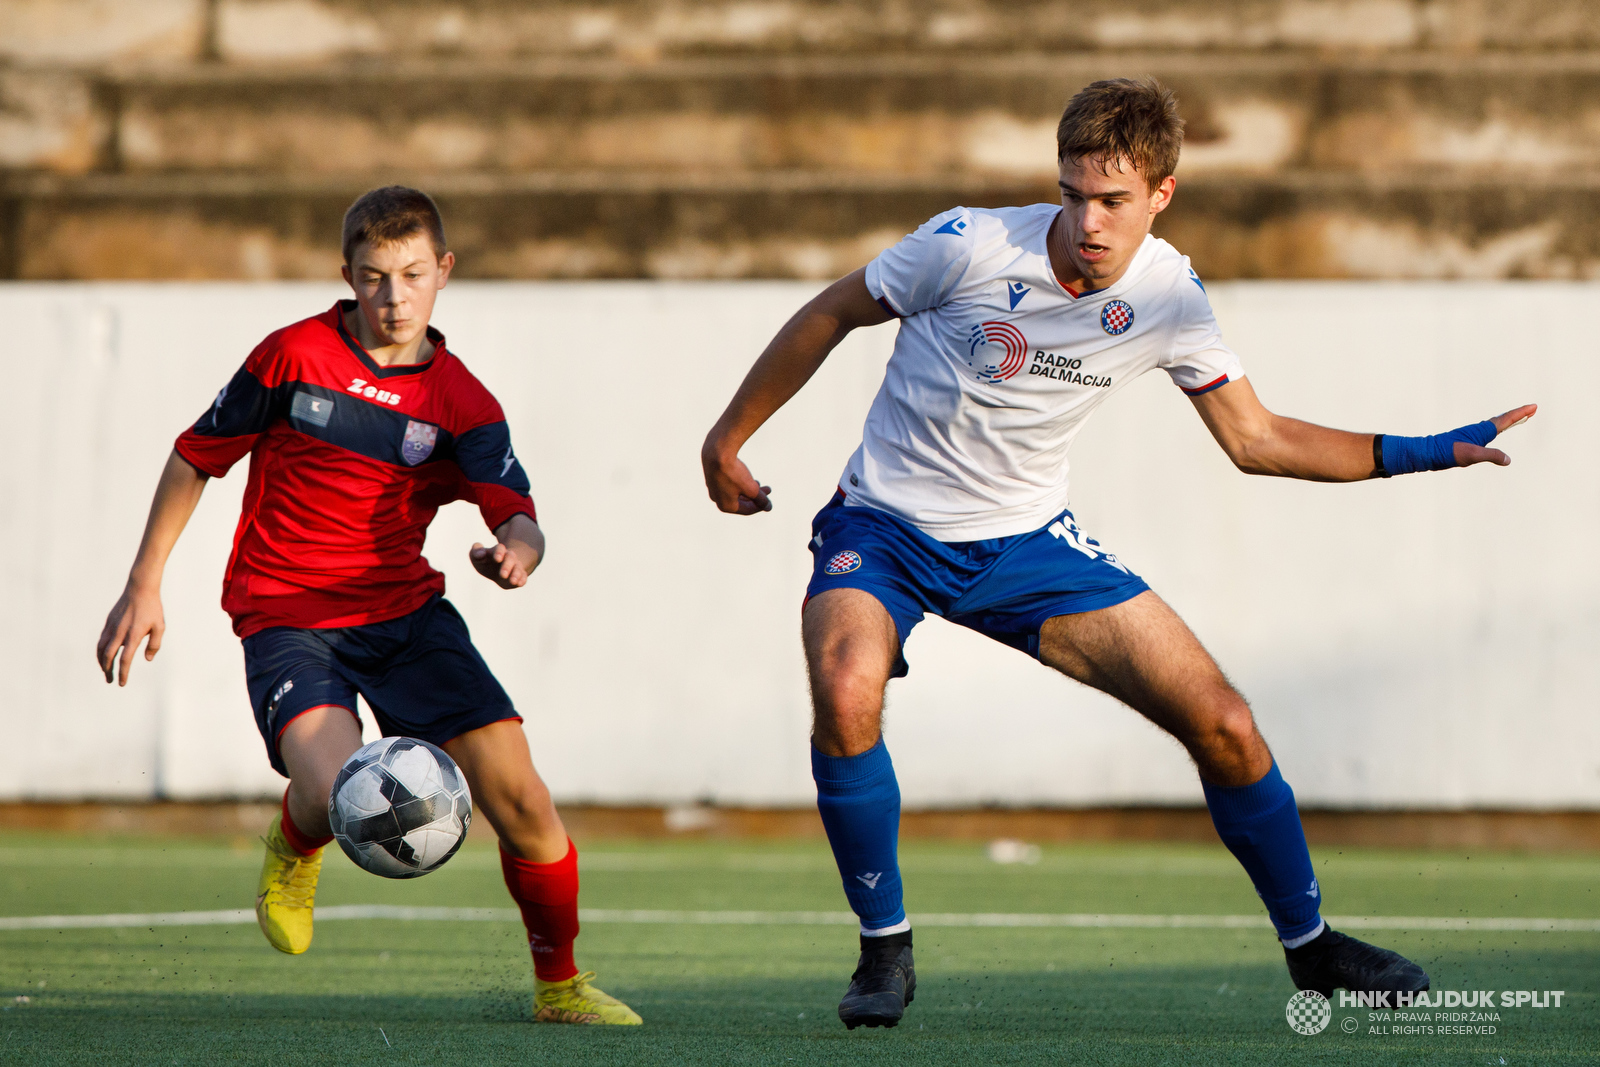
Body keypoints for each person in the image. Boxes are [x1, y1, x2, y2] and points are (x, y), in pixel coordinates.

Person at [701, 78, 1536, 1030]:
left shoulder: (1170, 294)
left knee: (1223, 720)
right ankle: (884, 949)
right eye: (1073, 195)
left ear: (1162, 195)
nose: (1088, 222)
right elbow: (830, 312)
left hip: (1025, 544)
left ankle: (1312, 947)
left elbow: (1256, 439)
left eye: (1113, 201)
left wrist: (1425, 451)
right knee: (847, 687)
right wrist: (728, 439)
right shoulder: (967, 245)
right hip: (882, 529)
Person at [95, 186, 640, 1027]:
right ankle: (295, 841)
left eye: (412, 275)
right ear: (345, 275)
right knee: (334, 788)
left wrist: (516, 555)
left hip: (407, 620)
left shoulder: (462, 401)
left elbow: (517, 511)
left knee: (525, 802)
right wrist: (144, 582)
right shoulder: (290, 355)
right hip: (289, 618)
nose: (394, 298)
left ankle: (560, 986)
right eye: (375, 277)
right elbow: (196, 456)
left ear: (444, 272)